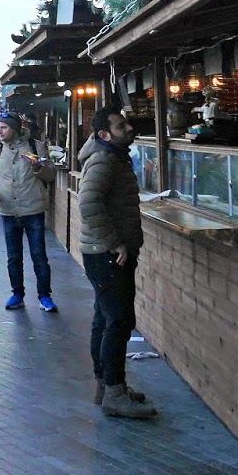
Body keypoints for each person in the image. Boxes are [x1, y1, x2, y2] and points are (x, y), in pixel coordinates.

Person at [78, 107, 155, 419]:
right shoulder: (104, 160)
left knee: (106, 317)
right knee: (119, 321)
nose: (129, 128)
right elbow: (88, 203)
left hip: (103, 251)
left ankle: (108, 385)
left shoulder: (113, 156)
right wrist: (115, 242)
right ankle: (114, 392)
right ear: (104, 135)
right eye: (121, 125)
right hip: (106, 253)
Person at [0, 111, 56, 312]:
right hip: (8, 210)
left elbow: (50, 176)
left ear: (14, 128)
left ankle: (44, 296)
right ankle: (17, 294)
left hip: (32, 208)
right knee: (13, 256)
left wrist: (39, 167)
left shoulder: (36, 146)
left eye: (4, 127)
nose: (0, 131)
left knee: (39, 255)